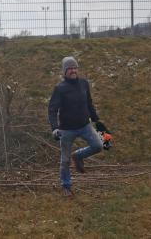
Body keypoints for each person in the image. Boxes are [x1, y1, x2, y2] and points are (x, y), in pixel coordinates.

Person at [48, 56, 107, 197]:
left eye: (75, 68)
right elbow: (52, 110)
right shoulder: (60, 88)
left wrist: (96, 119)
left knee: (98, 145)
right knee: (65, 160)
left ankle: (79, 156)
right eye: (70, 68)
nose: (73, 70)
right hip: (66, 130)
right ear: (64, 71)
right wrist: (54, 128)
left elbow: (89, 103)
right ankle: (66, 186)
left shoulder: (84, 83)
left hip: (85, 125)